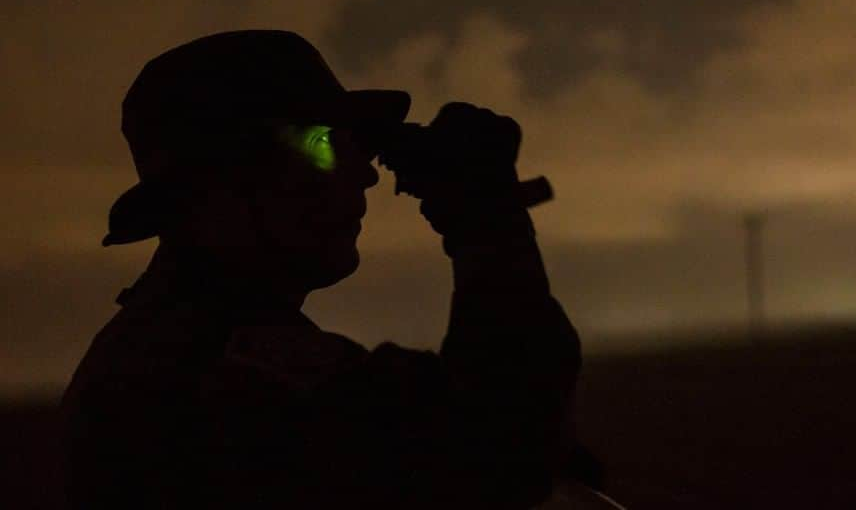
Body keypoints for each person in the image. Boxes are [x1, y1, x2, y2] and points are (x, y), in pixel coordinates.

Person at [60, 30, 583, 509]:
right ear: (221, 183)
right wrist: (485, 221)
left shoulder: (152, 350)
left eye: (356, 147)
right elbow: (500, 456)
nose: (364, 176)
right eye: (322, 144)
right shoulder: (232, 380)